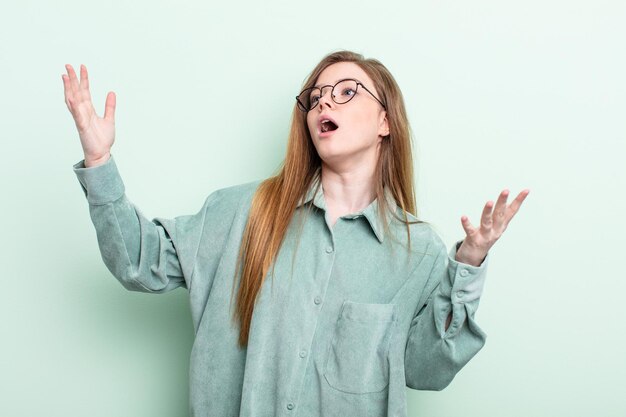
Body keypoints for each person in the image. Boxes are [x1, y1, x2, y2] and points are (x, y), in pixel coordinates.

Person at [62, 50, 529, 417]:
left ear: (386, 121)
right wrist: (100, 162)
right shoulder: (240, 212)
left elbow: (429, 370)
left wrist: (467, 266)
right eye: (316, 95)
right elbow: (137, 261)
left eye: (347, 92)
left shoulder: (418, 252)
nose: (324, 101)